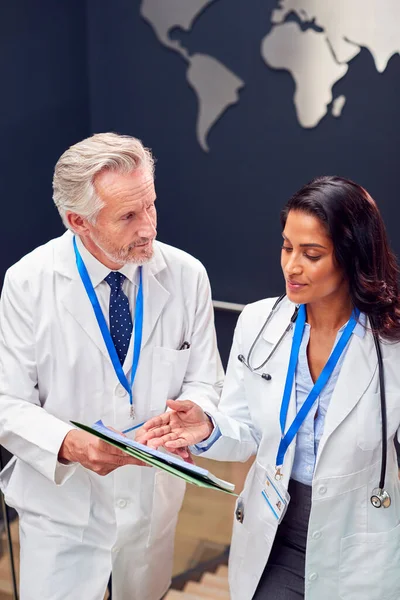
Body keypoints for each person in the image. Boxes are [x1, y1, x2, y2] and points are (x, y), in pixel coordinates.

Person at [139, 176, 400, 600]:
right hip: (273, 525)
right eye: (286, 246)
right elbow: (246, 429)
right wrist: (207, 427)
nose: (291, 266)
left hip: (359, 537)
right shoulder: (259, 323)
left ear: (351, 256)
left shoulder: (390, 344)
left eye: (311, 254)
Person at [0, 132, 223, 600]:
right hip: (62, 515)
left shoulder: (188, 275)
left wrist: (196, 413)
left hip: (149, 510)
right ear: (79, 221)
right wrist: (70, 444)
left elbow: (206, 380)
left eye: (151, 205)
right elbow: (7, 403)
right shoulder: (27, 283)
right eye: (128, 215)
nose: (149, 227)